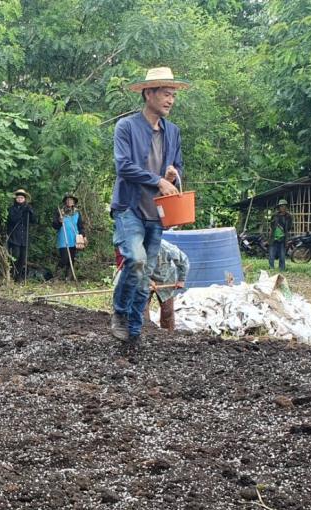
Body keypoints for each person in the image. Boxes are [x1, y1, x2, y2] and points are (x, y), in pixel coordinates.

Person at [110, 67, 186, 345]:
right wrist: (157, 181)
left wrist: (172, 175)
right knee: (136, 260)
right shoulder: (127, 127)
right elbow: (124, 165)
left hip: (157, 212)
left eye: (173, 95)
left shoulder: (173, 132)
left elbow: (177, 165)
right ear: (148, 93)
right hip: (129, 206)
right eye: (166, 94)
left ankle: (132, 332)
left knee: (145, 277)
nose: (170, 100)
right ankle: (119, 313)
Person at [149, 239, 189, 331]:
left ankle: (168, 335)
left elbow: (184, 261)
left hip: (166, 278)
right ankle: (145, 332)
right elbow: (135, 267)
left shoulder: (167, 248)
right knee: (141, 308)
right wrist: (148, 280)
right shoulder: (138, 249)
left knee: (167, 311)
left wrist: (181, 280)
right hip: (146, 277)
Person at [53, 195, 86, 280]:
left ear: (74, 202)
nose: (69, 202)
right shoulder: (60, 212)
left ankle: (68, 277)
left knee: (72, 258)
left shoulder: (77, 213)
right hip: (63, 238)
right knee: (64, 258)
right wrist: (59, 221)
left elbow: (80, 226)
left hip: (74, 238)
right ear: (65, 202)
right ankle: (56, 276)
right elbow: (55, 225)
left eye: (71, 200)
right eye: (67, 200)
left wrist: (83, 236)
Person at [6, 189, 37, 282]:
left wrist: (30, 212)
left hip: (24, 238)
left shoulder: (27, 208)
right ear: (15, 199)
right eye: (18, 197)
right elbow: (13, 219)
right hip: (14, 237)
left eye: (22, 198)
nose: (20, 199)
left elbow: (34, 221)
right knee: (15, 256)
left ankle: (18, 277)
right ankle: (12, 274)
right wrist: (22, 211)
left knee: (22, 258)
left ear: (25, 199)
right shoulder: (12, 209)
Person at [268, 201, 292, 271]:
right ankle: (271, 267)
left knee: (282, 255)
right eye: (281, 206)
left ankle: (282, 268)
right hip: (273, 237)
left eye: (284, 206)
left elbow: (290, 227)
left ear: (286, 207)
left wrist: (283, 230)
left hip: (283, 238)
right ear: (279, 207)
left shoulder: (288, 216)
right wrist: (269, 237)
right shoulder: (274, 215)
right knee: (271, 254)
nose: (283, 207)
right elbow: (271, 226)